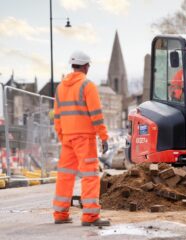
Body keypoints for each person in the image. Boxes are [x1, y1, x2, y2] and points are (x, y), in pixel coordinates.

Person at [53, 51, 110, 227]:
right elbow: (96, 115)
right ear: (86, 66)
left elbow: (57, 117)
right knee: (90, 176)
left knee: (65, 176)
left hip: (68, 138)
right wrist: (103, 136)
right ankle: (90, 216)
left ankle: (60, 213)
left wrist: (63, 136)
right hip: (85, 138)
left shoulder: (61, 87)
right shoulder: (87, 86)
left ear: (73, 65)